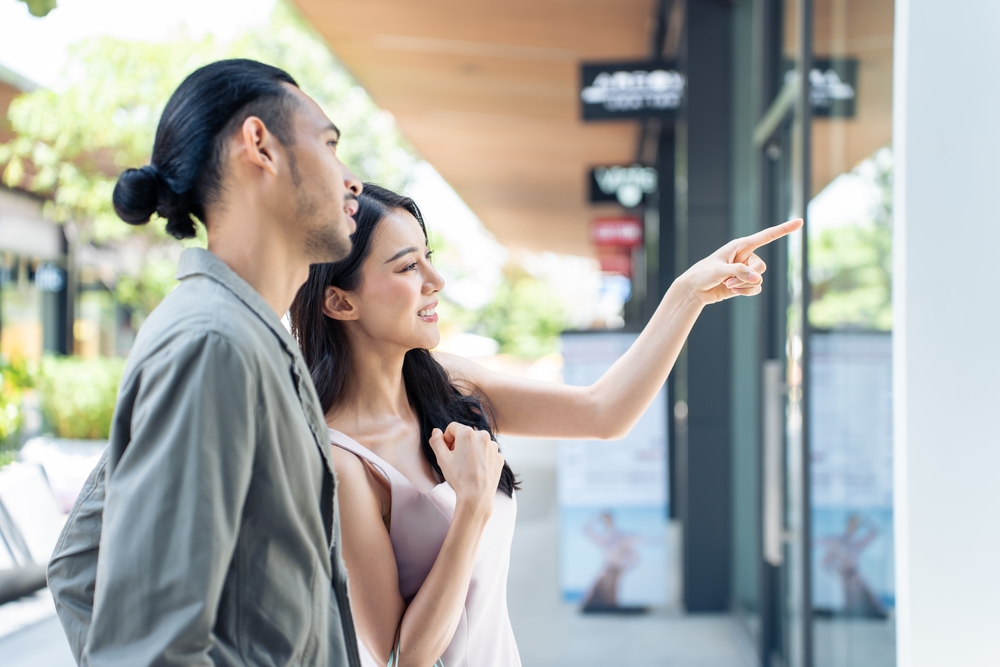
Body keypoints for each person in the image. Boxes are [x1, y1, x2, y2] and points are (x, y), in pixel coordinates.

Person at [288, 183, 802, 667]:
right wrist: (471, 505)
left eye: (429, 258)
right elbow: (404, 655)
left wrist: (688, 293)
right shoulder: (340, 460)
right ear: (340, 301)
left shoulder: (451, 386)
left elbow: (604, 413)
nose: (435, 281)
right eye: (406, 267)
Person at [46, 58, 379, 667]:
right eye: (330, 145)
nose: (352, 180)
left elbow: (79, 566)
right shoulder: (214, 344)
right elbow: (145, 649)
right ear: (260, 145)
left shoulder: (248, 337)